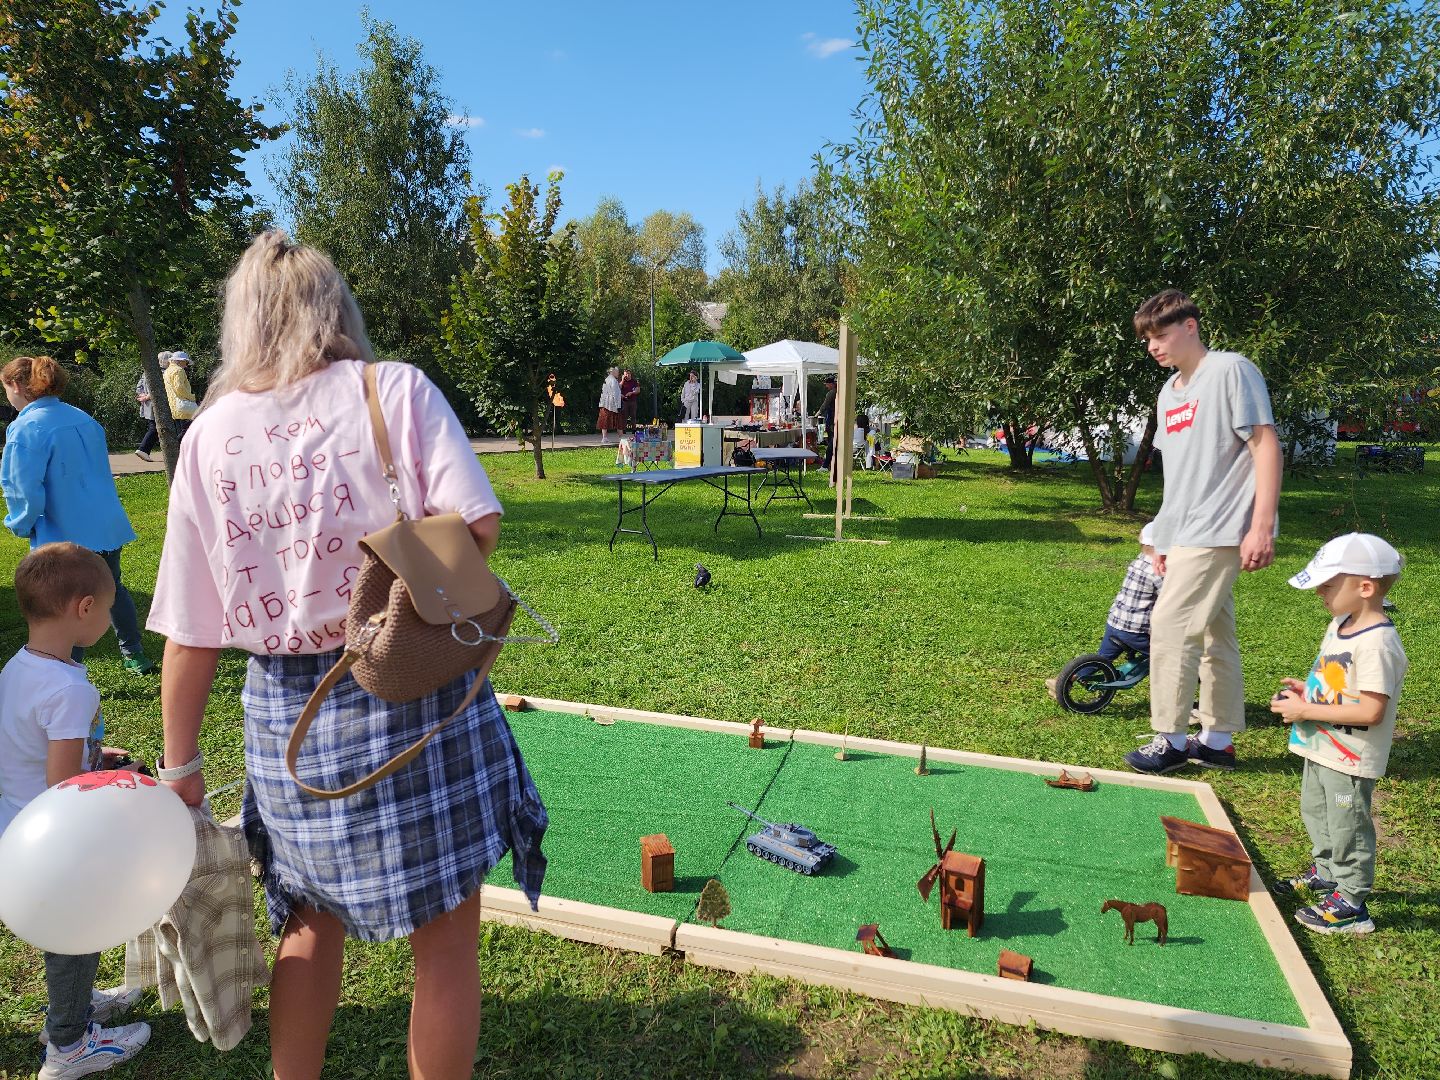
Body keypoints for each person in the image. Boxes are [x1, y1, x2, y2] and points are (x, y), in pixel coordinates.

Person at [146, 230, 547, 1080]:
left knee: (305, 917)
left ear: (240, 324)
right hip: (412, 681)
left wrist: (180, 765)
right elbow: (477, 525)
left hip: (285, 712)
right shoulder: (390, 390)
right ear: (336, 309)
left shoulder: (209, 436)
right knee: (445, 933)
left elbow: (191, 626)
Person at [0, 543, 151, 1077]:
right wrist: (116, 777)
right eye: (109, 609)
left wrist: (93, 753)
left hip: (17, 825)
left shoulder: (17, 668)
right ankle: (68, 1044)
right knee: (75, 935)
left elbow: (29, 746)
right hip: (55, 841)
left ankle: (76, 1010)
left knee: (70, 933)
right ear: (83, 608)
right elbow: (63, 783)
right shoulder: (70, 688)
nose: (111, 620)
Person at [1123, 289, 1282, 775]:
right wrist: (1162, 537)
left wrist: (1261, 526)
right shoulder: (1169, 392)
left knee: (1171, 626)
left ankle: (1170, 738)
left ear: (1190, 326)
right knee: (1216, 634)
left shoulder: (1231, 370)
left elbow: (1265, 445)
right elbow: (1181, 474)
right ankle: (1216, 739)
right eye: (1147, 339)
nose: (1153, 346)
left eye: (1161, 334)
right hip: (1187, 529)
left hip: (1222, 528)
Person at [1269, 534, 1408, 935]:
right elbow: (1342, 683)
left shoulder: (1378, 643)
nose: (1320, 593)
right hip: (1323, 746)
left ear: (1365, 588)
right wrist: (1308, 691)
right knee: (1317, 812)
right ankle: (1327, 873)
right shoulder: (1340, 624)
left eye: (1327, 586)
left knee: (1349, 826)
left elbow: (1371, 710)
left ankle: (1352, 902)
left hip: (1350, 756)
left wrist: (1306, 710)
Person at [1, 356, 157, 674]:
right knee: (112, 587)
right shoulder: (83, 418)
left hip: (63, 532)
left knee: (64, 603)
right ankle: (134, 654)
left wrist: (20, 522)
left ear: (16, 385)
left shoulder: (25, 428)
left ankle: (66, 668)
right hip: (106, 525)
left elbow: (23, 487)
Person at [1047, 523, 1163, 699]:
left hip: (1115, 622)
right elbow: (1170, 599)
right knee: (1169, 660)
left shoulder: (1138, 561)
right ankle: (1179, 701)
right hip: (1136, 631)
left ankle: (1064, 680)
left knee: (1103, 657)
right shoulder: (1158, 571)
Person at [134, 354, 167, 461]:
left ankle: (145, 450)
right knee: (155, 427)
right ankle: (143, 449)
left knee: (154, 426)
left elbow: (139, 387)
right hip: (155, 404)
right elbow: (160, 389)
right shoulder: (163, 373)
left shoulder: (147, 372)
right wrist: (148, 396)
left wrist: (143, 396)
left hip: (147, 404)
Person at [162, 349, 199, 439]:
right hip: (183, 405)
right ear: (179, 361)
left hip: (173, 406)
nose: (186, 365)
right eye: (185, 362)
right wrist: (191, 397)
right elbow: (179, 387)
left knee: (180, 430)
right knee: (187, 431)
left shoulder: (167, 371)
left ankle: (179, 450)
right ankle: (177, 445)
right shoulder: (179, 371)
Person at [597, 365, 623, 445]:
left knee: (604, 421)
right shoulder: (613, 380)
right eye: (617, 372)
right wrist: (618, 405)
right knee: (618, 421)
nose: (618, 373)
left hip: (604, 403)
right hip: (612, 404)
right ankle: (621, 438)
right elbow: (615, 393)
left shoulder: (607, 379)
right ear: (613, 372)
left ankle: (604, 437)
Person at [818, 374, 837, 471]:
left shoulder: (832, 393)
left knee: (831, 442)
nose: (826, 386)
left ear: (832, 384)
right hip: (835, 419)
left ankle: (826, 465)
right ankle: (830, 463)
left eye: (827, 384)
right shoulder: (840, 391)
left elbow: (824, 405)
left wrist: (817, 414)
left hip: (833, 421)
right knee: (832, 443)